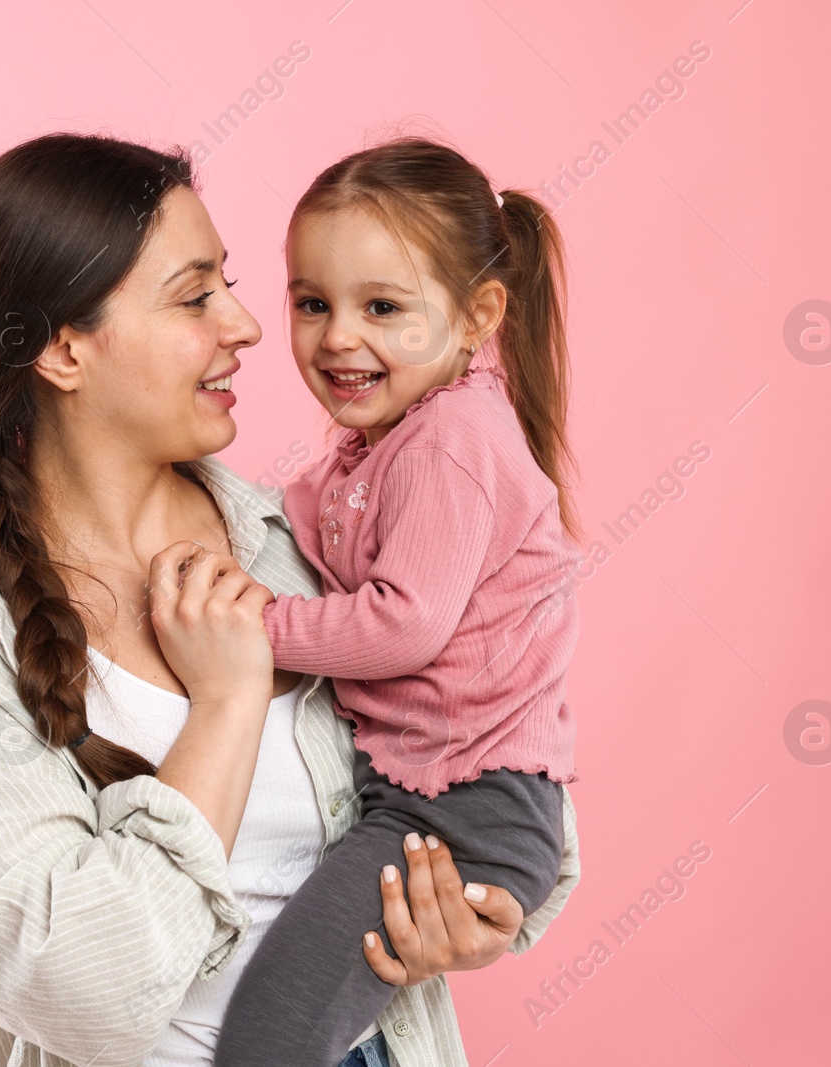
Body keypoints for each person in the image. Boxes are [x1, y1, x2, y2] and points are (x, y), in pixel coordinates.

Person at [0, 132, 583, 1067]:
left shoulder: (297, 545)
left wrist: (476, 911)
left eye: (234, 286)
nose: (248, 327)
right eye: (197, 295)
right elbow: (83, 989)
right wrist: (231, 702)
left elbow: (500, 747)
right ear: (63, 348)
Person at [212, 138, 584, 1067]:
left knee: (269, 1039)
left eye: (382, 306)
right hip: (437, 795)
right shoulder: (384, 440)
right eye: (311, 304)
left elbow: (402, 623)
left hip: (463, 808)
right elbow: (308, 521)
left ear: (475, 315)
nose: (339, 336)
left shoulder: (452, 440)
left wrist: (249, 629)